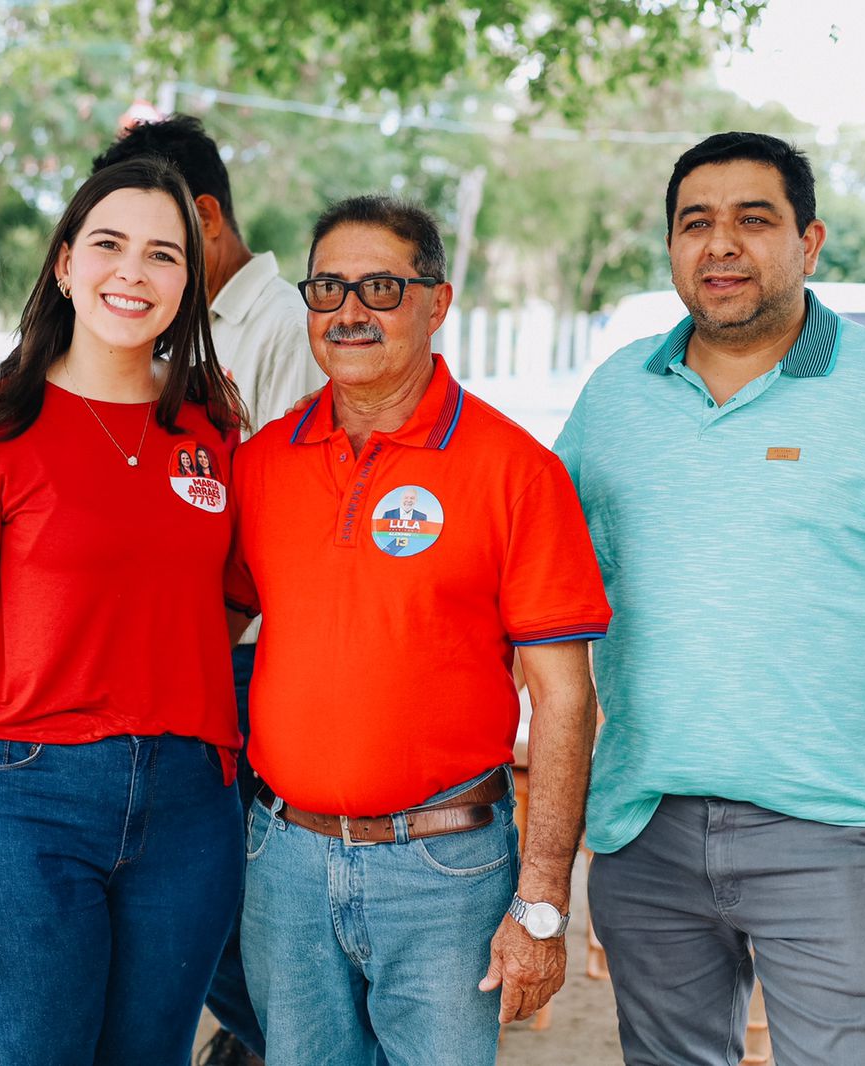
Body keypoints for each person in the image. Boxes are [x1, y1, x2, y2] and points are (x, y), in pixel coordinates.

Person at [558, 132, 865, 1065]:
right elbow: (548, 591)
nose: (720, 245)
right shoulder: (616, 396)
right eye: (696, 224)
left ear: (809, 244)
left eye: (752, 220)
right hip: (646, 828)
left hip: (834, 833)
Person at [225, 195, 610, 1066]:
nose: (350, 311)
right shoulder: (261, 464)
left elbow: (565, 699)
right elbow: (214, 623)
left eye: (381, 287)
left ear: (437, 304)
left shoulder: (518, 473)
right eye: (327, 288)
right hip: (282, 860)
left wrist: (542, 901)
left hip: (445, 872)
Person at [0, 157, 249, 1066]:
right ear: (63, 265)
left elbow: (235, 596)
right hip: (23, 804)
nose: (133, 273)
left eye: (163, 254)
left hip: (190, 810)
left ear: (190, 280)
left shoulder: (211, 425)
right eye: (109, 245)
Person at [94, 113, 324, 1066]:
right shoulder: (167, 331)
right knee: (183, 897)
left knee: (225, 897)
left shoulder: (278, 330)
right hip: (168, 661)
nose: (138, 266)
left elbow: (275, 524)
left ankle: (293, 1045)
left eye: (160, 238)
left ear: (207, 218)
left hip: (242, 656)